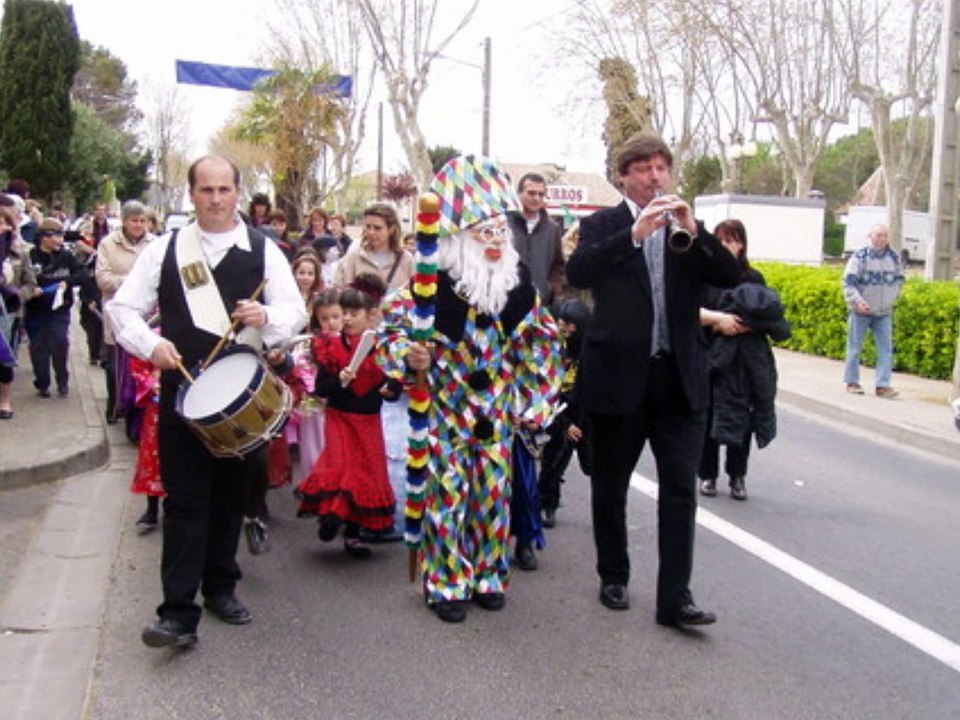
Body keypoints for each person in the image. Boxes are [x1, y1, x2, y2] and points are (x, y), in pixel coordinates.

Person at [106, 155, 307, 650]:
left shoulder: (264, 250)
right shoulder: (166, 249)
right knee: (186, 504)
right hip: (183, 394)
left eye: (224, 190)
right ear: (191, 195)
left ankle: (221, 588)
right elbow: (122, 308)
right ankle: (177, 613)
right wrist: (148, 345)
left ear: (239, 193)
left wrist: (267, 315)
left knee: (228, 502)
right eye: (206, 190)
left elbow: (295, 311)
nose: (216, 200)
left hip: (241, 398)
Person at [565, 132, 740, 628]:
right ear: (624, 175)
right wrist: (634, 235)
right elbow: (578, 271)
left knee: (680, 490)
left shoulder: (687, 228)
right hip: (619, 377)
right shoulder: (602, 224)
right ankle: (613, 574)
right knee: (611, 485)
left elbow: (729, 278)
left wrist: (696, 232)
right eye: (643, 168)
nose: (655, 176)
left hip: (677, 379)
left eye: (662, 167)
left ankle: (675, 597)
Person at [379, 154, 562, 624]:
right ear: (460, 240)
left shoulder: (519, 289)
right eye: (485, 233)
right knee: (447, 496)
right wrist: (408, 356)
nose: (497, 241)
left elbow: (542, 344)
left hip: (496, 415)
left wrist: (533, 400)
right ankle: (445, 581)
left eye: (501, 231)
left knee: (491, 496)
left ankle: (488, 573)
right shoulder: (427, 291)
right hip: (445, 412)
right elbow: (390, 336)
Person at [295, 273, 400, 557]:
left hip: (369, 421)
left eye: (355, 313)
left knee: (365, 474)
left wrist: (392, 388)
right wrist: (340, 378)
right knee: (341, 467)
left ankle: (353, 535)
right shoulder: (330, 347)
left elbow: (392, 385)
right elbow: (321, 387)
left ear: (372, 315)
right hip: (340, 416)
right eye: (345, 313)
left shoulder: (383, 348)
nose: (348, 319)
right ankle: (330, 516)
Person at [697, 220, 790, 502]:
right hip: (714, 356)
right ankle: (708, 475)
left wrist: (750, 324)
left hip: (749, 360)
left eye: (732, 240)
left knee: (744, 420)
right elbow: (692, 314)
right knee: (710, 417)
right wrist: (717, 323)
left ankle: (738, 476)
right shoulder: (705, 276)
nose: (727, 246)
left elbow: (773, 320)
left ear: (742, 244)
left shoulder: (753, 278)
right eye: (721, 240)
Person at [96, 200, 154, 426]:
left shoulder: (155, 244)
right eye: (134, 220)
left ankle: (136, 412)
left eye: (143, 221)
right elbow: (103, 279)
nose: (139, 225)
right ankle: (114, 404)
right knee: (114, 364)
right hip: (117, 313)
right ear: (124, 221)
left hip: (148, 317)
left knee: (141, 365)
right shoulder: (108, 245)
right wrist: (133, 283)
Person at [538, 297, 592, 528]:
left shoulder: (589, 350)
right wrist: (565, 423)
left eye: (571, 325)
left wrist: (579, 423)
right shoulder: (550, 346)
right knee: (553, 461)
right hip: (557, 409)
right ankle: (547, 504)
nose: (565, 328)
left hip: (585, 412)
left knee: (596, 465)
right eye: (563, 322)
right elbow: (544, 388)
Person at [24, 218, 92, 398]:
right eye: (55, 236)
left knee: (59, 343)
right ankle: (42, 383)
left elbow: (82, 274)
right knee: (39, 348)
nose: (60, 240)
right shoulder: (31, 256)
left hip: (60, 309)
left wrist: (66, 283)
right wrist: (32, 290)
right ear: (43, 238)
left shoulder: (66, 256)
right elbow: (22, 280)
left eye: (61, 236)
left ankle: (62, 380)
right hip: (36, 310)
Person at [843, 223, 904, 398]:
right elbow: (849, 282)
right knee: (855, 347)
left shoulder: (894, 257)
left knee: (886, 348)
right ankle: (852, 381)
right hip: (861, 310)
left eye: (884, 236)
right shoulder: (859, 257)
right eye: (878, 235)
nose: (881, 239)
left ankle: (883, 385)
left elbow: (900, 279)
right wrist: (858, 301)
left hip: (884, 311)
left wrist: (893, 298)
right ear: (870, 236)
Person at [0, 203, 38, 419]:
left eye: (7, 223)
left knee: (5, 360)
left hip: (10, 313)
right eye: (0, 223)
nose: (4, 227)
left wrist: (15, 296)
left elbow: (30, 283)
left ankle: (4, 401)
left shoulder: (19, 252)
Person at [506, 172, 565, 306]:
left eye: (541, 194)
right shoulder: (504, 225)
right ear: (519, 194)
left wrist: (550, 290)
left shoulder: (553, 228)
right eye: (531, 193)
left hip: (540, 305)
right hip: (506, 303)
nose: (536, 198)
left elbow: (558, 265)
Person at [333, 203, 414, 293]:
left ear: (391, 229)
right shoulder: (353, 257)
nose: (371, 232)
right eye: (368, 227)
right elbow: (337, 291)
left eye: (377, 228)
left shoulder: (406, 260)